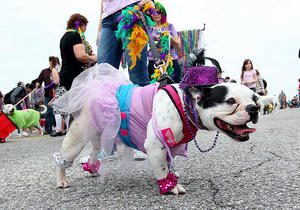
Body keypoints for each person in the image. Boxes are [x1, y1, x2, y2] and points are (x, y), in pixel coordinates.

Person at [97, 0, 153, 86]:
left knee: (137, 75)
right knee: (104, 75)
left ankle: (142, 99)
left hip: (131, 9)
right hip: (107, 18)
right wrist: (99, 29)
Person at [59, 13, 97, 91]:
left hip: (65, 75)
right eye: (85, 26)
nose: (85, 29)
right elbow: (81, 56)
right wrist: (94, 58)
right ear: (81, 24)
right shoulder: (75, 35)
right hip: (74, 75)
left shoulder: (64, 37)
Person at [147, 1, 182, 83]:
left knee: (174, 87)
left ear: (163, 13)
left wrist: (168, 36)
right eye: (153, 12)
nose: (156, 14)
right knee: (155, 88)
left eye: (158, 12)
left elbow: (178, 46)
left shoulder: (170, 26)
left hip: (171, 62)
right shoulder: (148, 28)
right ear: (150, 15)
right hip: (154, 62)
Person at [48, 57, 68, 137]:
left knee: (57, 110)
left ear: (51, 61)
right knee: (66, 111)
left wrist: (47, 87)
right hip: (65, 89)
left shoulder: (54, 69)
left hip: (59, 89)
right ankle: (68, 129)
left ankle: (58, 129)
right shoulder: (61, 68)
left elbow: (56, 81)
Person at [37, 58, 56, 135]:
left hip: (58, 93)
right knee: (49, 111)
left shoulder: (58, 70)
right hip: (48, 94)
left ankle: (60, 127)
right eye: (50, 61)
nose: (52, 62)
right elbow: (39, 80)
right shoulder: (44, 71)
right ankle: (48, 129)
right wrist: (38, 84)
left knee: (58, 112)